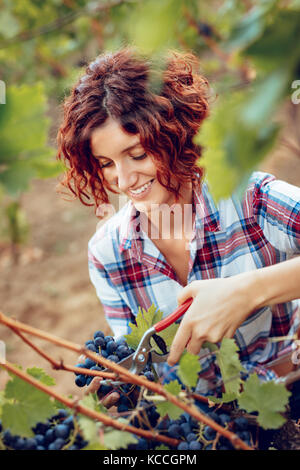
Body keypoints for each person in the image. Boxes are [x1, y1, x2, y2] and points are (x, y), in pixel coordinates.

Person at [56, 47, 300, 396]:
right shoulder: (108, 253)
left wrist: (247, 292)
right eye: (107, 163)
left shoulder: (249, 198)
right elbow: (143, 366)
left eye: (137, 154)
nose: (123, 181)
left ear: (175, 134)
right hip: (206, 430)